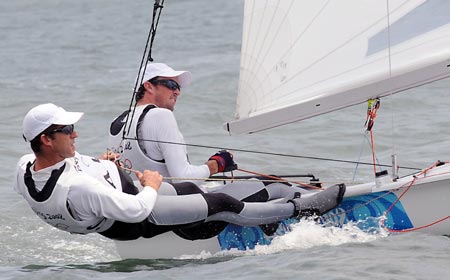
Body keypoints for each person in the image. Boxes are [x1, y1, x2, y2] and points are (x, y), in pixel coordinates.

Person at [14, 103, 345, 241]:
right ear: (45, 139)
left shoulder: (25, 168)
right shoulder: (79, 189)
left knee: (194, 195)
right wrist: (152, 185)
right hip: (140, 213)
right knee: (220, 204)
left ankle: (259, 212)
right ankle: (300, 209)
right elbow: (136, 209)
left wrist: (101, 164)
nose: (75, 134)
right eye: (68, 130)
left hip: (122, 199)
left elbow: (64, 170)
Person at [109, 62, 235, 183]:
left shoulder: (117, 120)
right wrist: (216, 164)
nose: (177, 92)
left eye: (178, 87)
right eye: (171, 85)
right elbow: (183, 178)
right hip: (167, 200)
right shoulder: (161, 115)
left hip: (136, 199)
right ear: (148, 86)